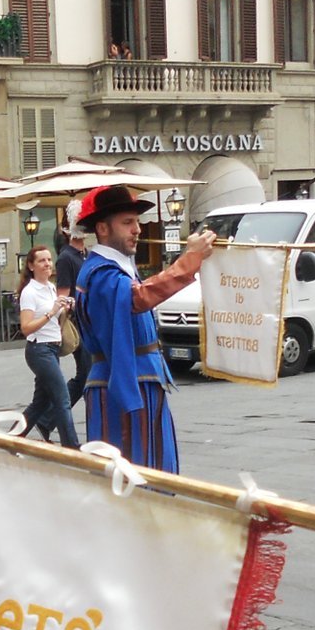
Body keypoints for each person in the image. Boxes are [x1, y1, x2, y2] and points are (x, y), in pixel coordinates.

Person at [72, 184, 216, 471]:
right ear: (102, 228)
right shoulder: (101, 272)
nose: (137, 229)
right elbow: (138, 298)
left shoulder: (117, 265)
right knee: (133, 472)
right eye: (127, 223)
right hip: (123, 385)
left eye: (136, 222)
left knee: (152, 466)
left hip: (140, 380)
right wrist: (188, 262)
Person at [18, 244, 78, 448]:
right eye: (42, 261)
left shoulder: (51, 288)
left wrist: (65, 307)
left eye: (49, 260)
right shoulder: (29, 292)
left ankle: (12, 437)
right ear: (31, 266)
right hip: (39, 349)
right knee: (62, 399)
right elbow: (26, 328)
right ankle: (72, 446)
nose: (47, 264)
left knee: (41, 403)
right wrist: (51, 312)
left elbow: (56, 318)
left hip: (53, 348)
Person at [56, 199, 93, 405]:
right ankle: (50, 416)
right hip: (78, 323)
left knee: (90, 374)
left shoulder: (87, 254)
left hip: (92, 321)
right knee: (86, 374)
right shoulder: (65, 258)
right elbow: (62, 298)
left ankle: (49, 418)